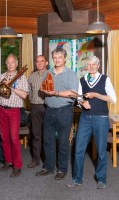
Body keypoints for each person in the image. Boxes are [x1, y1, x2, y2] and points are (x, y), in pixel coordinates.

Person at [67, 56, 117, 189]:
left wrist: (96, 95)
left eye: (94, 64)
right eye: (89, 64)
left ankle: (101, 179)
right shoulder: (82, 80)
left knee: (101, 150)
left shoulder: (105, 79)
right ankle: (77, 179)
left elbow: (113, 99)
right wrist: (83, 102)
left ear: (98, 65)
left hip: (101, 118)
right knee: (78, 148)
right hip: (85, 118)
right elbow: (78, 98)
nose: (91, 67)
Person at [36, 47, 79, 180]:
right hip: (49, 110)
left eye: (60, 57)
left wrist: (57, 93)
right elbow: (43, 89)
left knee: (62, 142)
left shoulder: (70, 73)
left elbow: (74, 93)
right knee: (47, 141)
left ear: (65, 59)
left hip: (64, 111)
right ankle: (48, 167)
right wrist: (43, 90)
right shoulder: (47, 73)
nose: (57, 59)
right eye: (54, 57)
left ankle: (62, 169)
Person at [0, 54, 28, 177]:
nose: (10, 64)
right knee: (4, 138)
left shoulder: (21, 77)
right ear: (6, 64)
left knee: (14, 138)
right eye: (8, 62)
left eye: (12, 62)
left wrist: (11, 86)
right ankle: (8, 161)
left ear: (16, 63)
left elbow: (24, 95)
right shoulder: (1, 77)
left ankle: (17, 165)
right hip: (1, 109)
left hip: (14, 111)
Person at [27, 55, 49, 168]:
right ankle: (36, 159)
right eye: (37, 61)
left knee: (47, 135)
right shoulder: (31, 76)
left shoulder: (51, 75)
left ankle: (47, 160)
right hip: (35, 107)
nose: (39, 63)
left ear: (46, 63)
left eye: (42, 61)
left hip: (48, 107)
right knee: (36, 134)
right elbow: (29, 92)